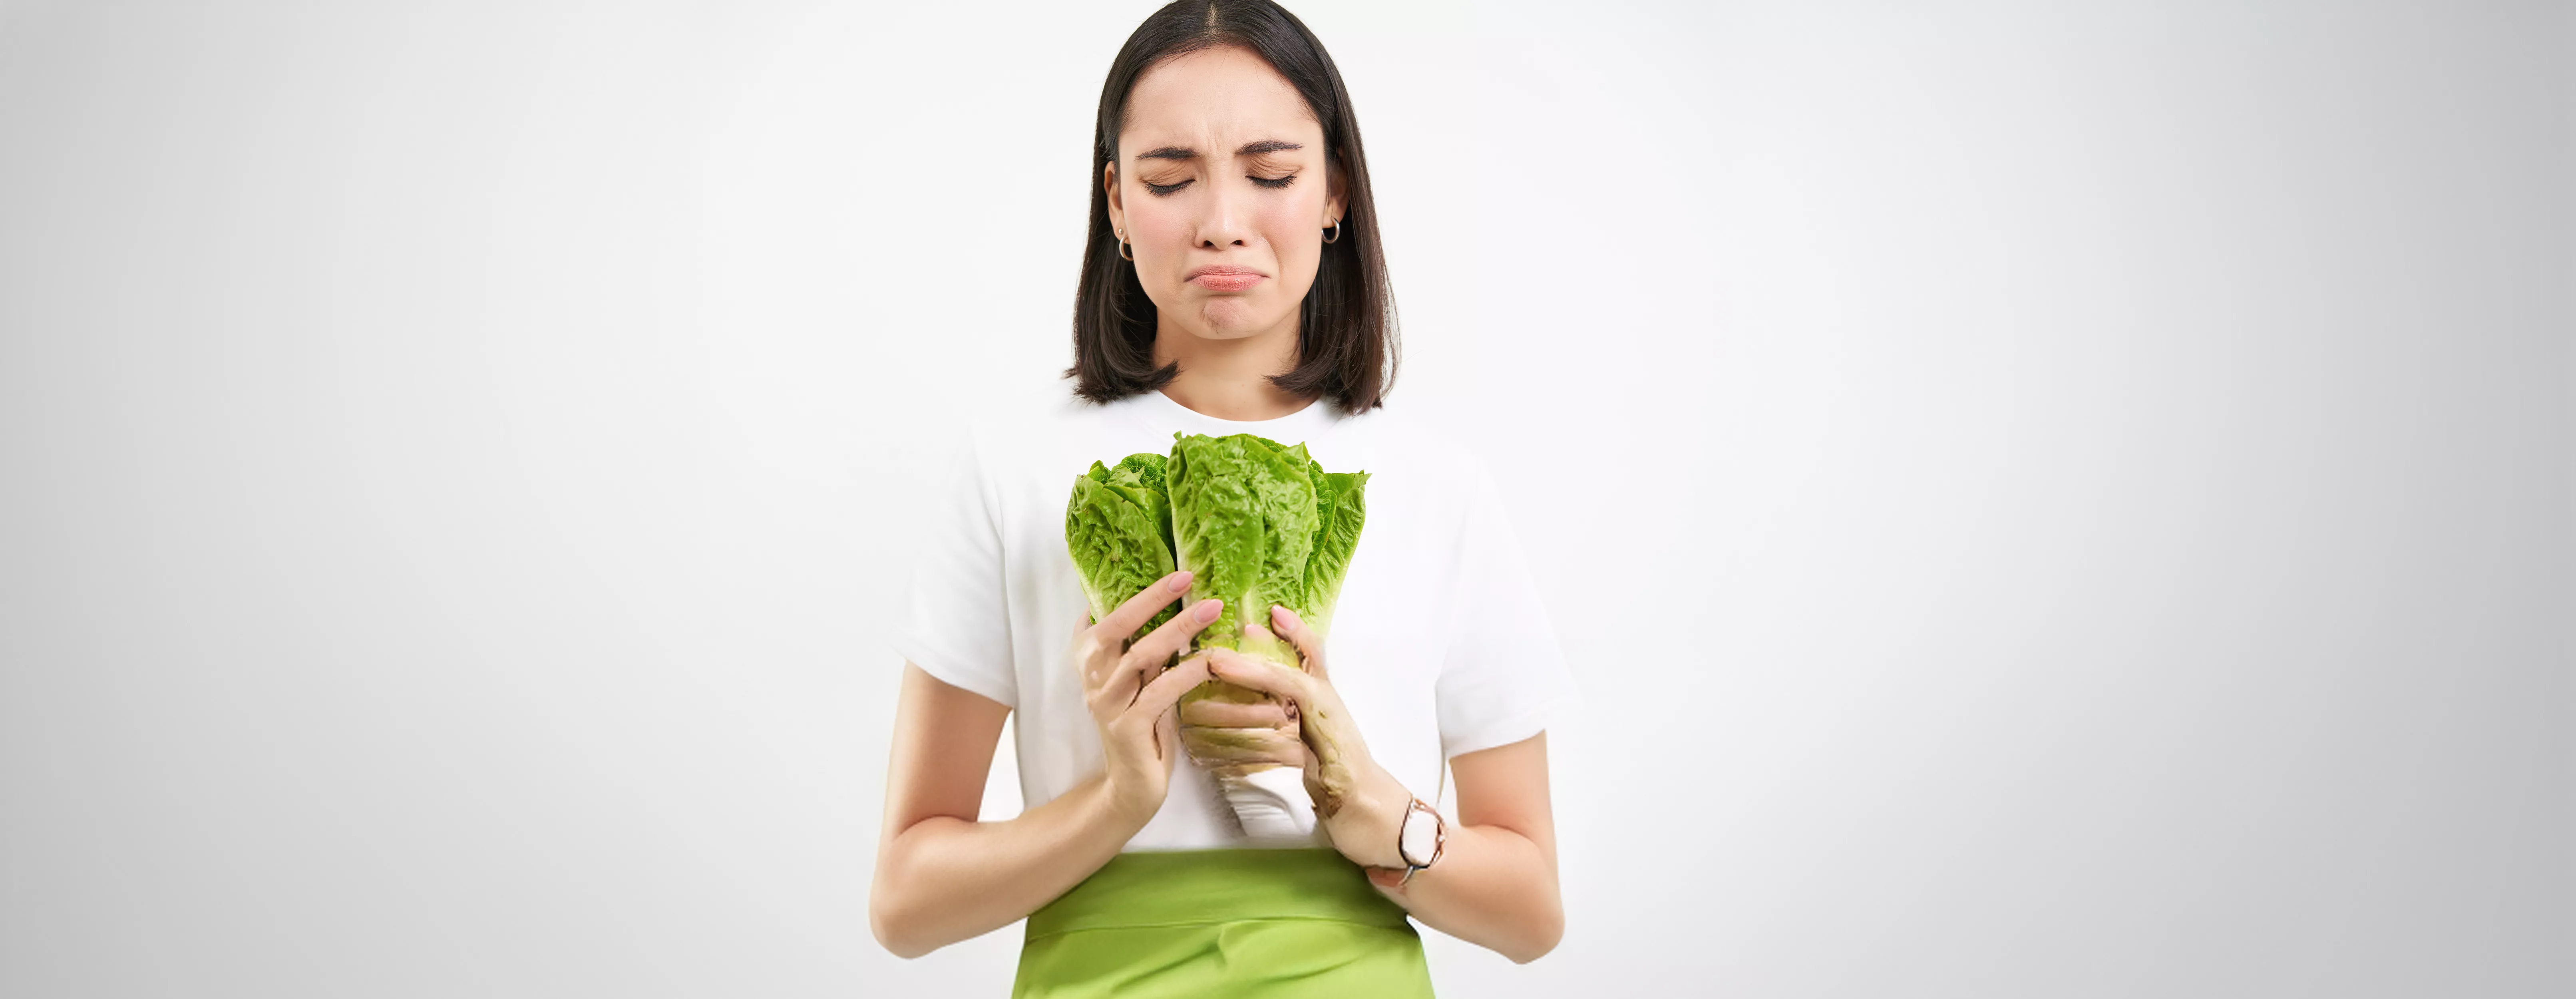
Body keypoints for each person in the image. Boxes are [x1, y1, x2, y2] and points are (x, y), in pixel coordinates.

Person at [869, 2, 1577, 993]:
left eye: (1272, 174)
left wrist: (1370, 804)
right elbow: (904, 902)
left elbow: (1532, 910)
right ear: (1114, 203)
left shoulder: (1435, 483)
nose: (1221, 223)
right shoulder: (1015, 469)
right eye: (1168, 179)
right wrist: (1119, 799)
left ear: (1335, 191)